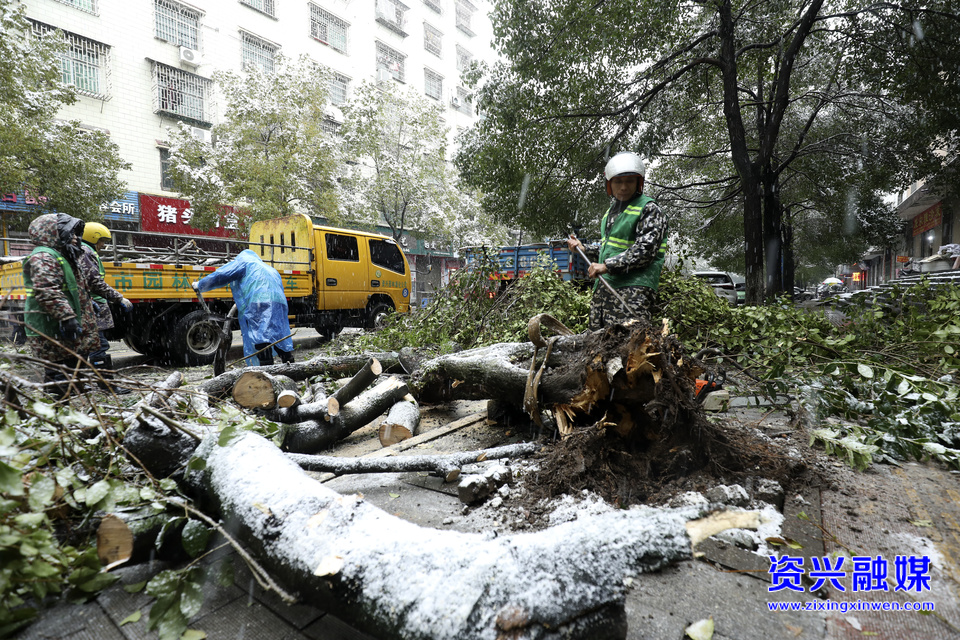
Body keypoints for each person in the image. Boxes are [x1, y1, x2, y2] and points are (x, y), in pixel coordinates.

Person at [567, 152, 668, 329]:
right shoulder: (611, 213)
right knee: (598, 347)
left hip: (632, 292)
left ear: (639, 182)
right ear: (609, 184)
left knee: (628, 348)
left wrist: (607, 266)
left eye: (629, 181)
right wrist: (584, 249)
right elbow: (611, 250)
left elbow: (646, 250)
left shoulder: (649, 209)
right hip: (605, 289)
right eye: (618, 181)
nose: (623, 187)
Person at [22, 213, 101, 398]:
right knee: (59, 378)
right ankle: (58, 418)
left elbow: (71, 287)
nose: (76, 238)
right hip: (53, 330)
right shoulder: (44, 256)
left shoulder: (62, 255)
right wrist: (67, 317)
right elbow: (46, 290)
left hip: (62, 330)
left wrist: (87, 303)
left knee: (72, 376)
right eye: (71, 233)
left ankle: (73, 417)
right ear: (52, 233)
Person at [191, 249, 294, 366]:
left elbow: (221, 275)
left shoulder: (244, 263)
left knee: (261, 336)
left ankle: (267, 367)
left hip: (259, 300)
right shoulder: (269, 268)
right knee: (278, 334)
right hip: (279, 301)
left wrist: (200, 284)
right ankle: (290, 363)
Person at [78, 222, 133, 393]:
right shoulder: (86, 252)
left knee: (85, 346)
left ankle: (78, 383)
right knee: (98, 346)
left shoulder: (83, 251)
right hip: (92, 308)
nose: (104, 245)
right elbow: (95, 282)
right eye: (101, 241)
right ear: (92, 238)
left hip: (89, 305)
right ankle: (106, 385)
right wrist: (119, 298)